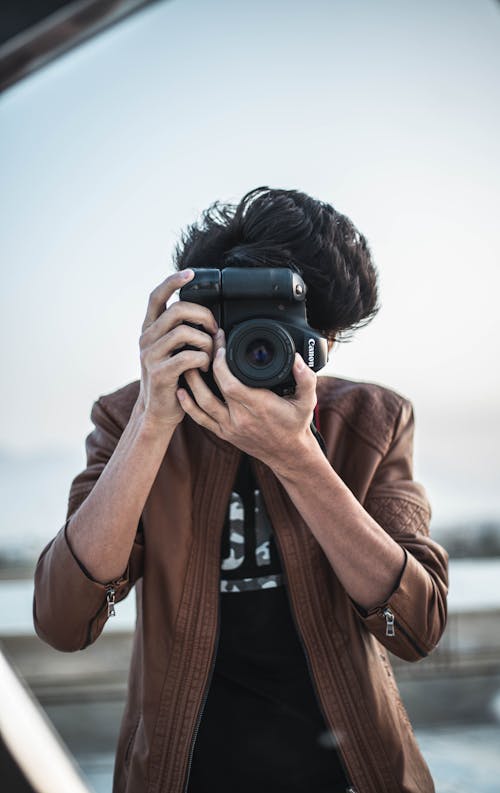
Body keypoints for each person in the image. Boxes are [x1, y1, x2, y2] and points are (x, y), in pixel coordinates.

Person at [33, 187, 449, 793]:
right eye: (256, 332)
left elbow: (417, 624)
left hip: (352, 777)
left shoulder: (370, 418)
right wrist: (154, 419)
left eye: (307, 338)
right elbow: (62, 621)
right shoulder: (131, 417)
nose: (284, 357)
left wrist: (299, 458)